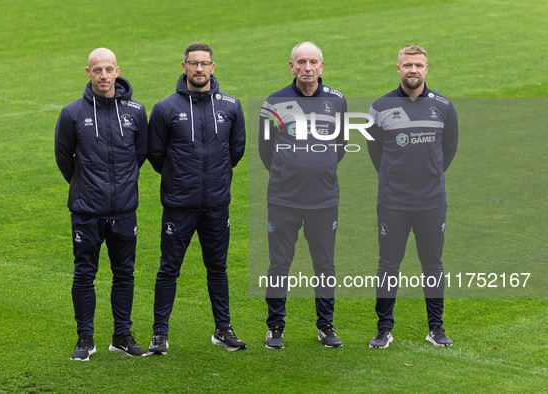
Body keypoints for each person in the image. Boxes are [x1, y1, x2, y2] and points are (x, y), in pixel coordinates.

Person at [147, 43, 247, 354]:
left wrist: (215, 178)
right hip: (179, 205)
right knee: (168, 269)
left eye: (204, 64)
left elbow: (236, 150)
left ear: (213, 67)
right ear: (184, 66)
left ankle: (223, 329)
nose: (199, 69)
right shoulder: (165, 108)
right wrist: (179, 178)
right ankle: (160, 333)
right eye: (193, 63)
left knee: (218, 268)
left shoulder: (231, 106)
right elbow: (155, 154)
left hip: (216, 205)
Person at [55, 48, 148, 361]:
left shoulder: (135, 111)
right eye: (98, 70)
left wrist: (120, 186)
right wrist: (85, 185)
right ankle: (85, 338)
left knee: (125, 274)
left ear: (118, 70)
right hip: (87, 211)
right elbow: (63, 157)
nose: (104, 76)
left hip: (124, 210)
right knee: (84, 274)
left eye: (109, 69)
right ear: (88, 72)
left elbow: (141, 154)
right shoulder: (72, 113)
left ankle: (122, 335)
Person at [366, 44, 458, 348]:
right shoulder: (379, 107)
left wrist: (429, 174)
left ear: (427, 69)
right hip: (393, 202)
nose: (413, 70)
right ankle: (384, 329)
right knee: (388, 264)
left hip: (431, 202)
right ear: (398, 69)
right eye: (407, 65)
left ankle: (436, 328)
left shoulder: (444, 106)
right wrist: (396, 177)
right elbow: (375, 151)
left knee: (432, 264)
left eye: (418, 65)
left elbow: (449, 149)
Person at [259, 42, 347, 349]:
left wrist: (317, 170)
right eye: (301, 62)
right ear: (291, 66)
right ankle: (275, 327)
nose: (307, 67)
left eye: (313, 62)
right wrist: (289, 174)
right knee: (279, 264)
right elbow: (265, 150)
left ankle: (325, 325)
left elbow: (340, 146)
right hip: (283, 200)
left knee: (324, 264)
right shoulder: (274, 101)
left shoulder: (337, 101)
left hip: (324, 200)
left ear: (322, 66)